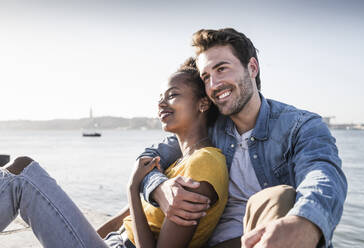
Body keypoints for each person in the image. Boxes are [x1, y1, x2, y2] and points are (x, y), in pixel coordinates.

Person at [138, 28, 348, 248]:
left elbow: (323, 175)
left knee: (280, 196)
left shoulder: (300, 126)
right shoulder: (209, 127)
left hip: (272, 238)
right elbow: (151, 156)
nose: (214, 85)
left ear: (252, 68)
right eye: (206, 76)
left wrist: (305, 222)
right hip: (210, 243)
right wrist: (158, 189)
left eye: (222, 69)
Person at [0, 59, 229, 248]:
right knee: (17, 172)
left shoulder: (205, 163)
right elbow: (124, 219)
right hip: (110, 243)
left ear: (202, 104)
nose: (161, 104)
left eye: (172, 95)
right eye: (160, 97)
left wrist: (132, 188)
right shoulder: (177, 162)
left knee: (21, 172)